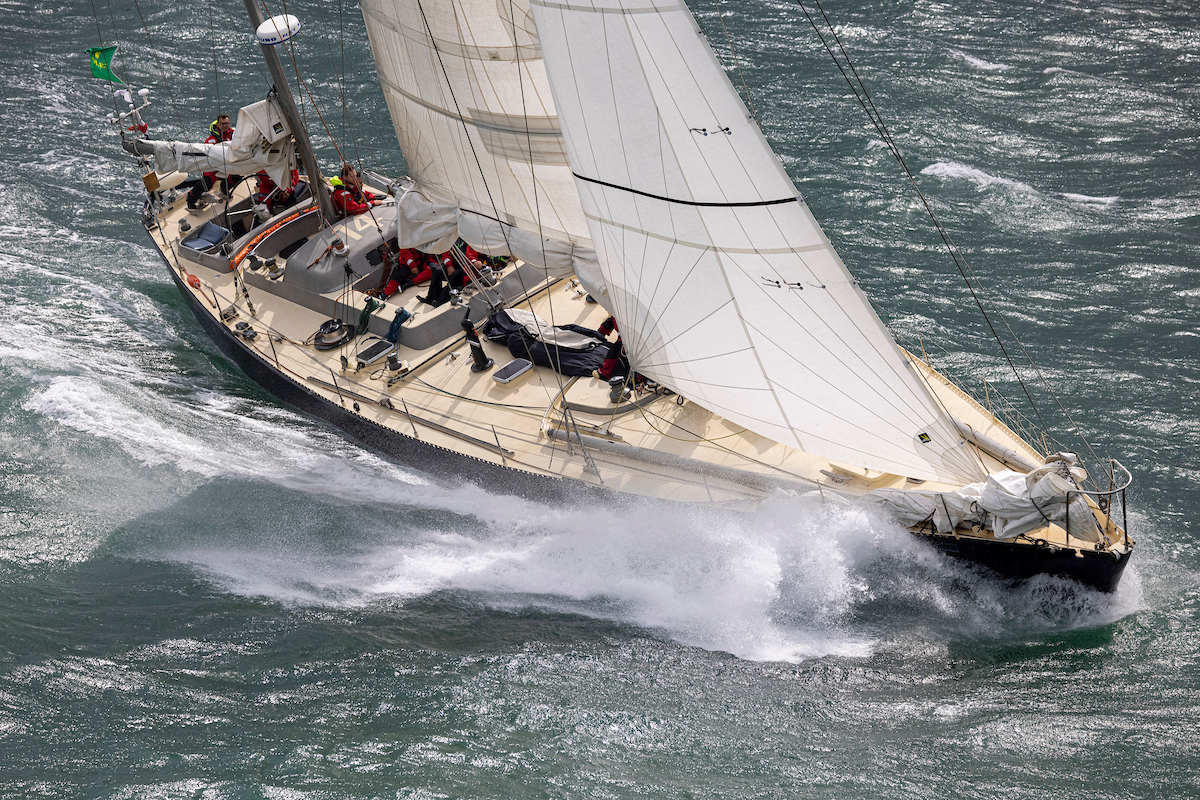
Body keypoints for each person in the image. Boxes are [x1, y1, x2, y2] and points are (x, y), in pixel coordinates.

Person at [187, 114, 241, 210]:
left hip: (229, 163)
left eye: (227, 123)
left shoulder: (235, 133)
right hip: (214, 166)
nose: (225, 126)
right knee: (206, 183)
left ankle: (224, 189)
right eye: (222, 123)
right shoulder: (211, 140)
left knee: (236, 178)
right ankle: (191, 198)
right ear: (218, 124)